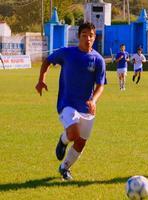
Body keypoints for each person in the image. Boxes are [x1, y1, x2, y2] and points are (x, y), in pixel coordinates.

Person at [35, 22, 106, 180]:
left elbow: (101, 85)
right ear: (78, 36)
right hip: (66, 103)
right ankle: (63, 140)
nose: (88, 38)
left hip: (87, 107)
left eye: (91, 35)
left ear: (95, 38)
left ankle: (64, 167)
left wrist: (93, 100)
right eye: (84, 35)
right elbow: (47, 61)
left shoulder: (98, 60)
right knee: (73, 133)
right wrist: (41, 80)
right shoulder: (67, 53)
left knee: (81, 142)